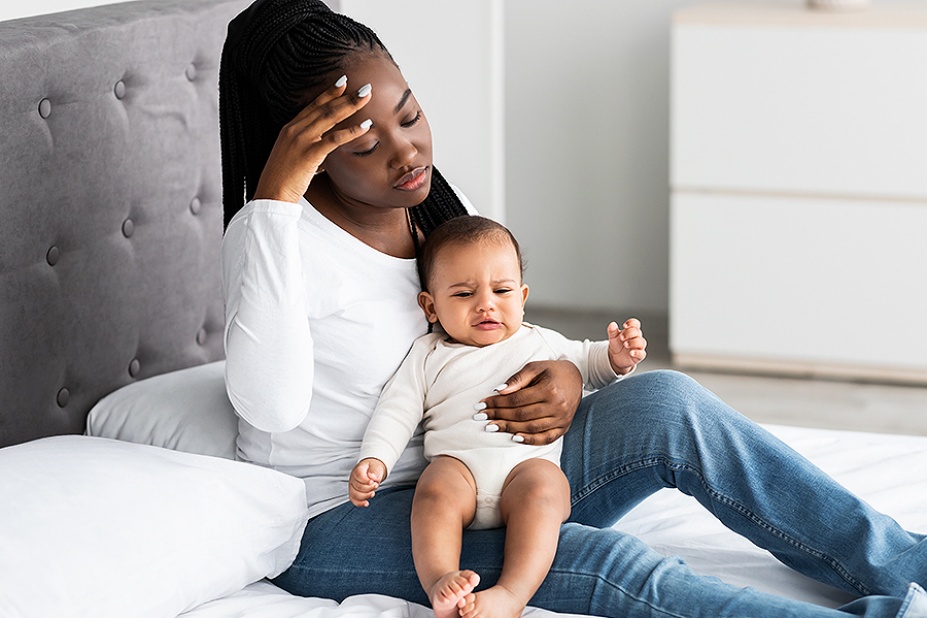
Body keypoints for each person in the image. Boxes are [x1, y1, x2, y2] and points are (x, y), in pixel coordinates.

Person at [218, 0, 927, 616]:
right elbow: (270, 408)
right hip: (348, 512)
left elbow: (492, 331)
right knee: (596, 558)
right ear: (303, 150)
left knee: (667, 404)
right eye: (365, 144)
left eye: (409, 116)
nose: (405, 151)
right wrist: (274, 201)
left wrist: (560, 375)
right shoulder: (274, 240)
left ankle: (907, 567)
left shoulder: (430, 205)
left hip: (483, 457)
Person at [348, 215, 647, 618]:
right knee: (432, 491)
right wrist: (376, 459)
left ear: (522, 296)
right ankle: (440, 579)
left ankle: (511, 593)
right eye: (464, 294)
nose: (486, 303)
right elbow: (397, 409)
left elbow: (589, 363)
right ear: (431, 306)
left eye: (502, 290)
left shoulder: (540, 341)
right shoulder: (428, 354)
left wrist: (617, 356)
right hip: (459, 472)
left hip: (526, 469)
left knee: (545, 491)